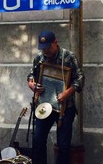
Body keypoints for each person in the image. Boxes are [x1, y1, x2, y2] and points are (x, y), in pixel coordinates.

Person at [27, 31, 85, 164]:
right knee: (38, 140)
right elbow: (31, 76)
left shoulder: (69, 57)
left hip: (65, 108)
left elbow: (80, 79)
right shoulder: (39, 58)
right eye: (43, 48)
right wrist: (32, 84)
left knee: (63, 145)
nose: (46, 51)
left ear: (55, 42)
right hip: (43, 106)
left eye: (48, 47)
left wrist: (67, 93)